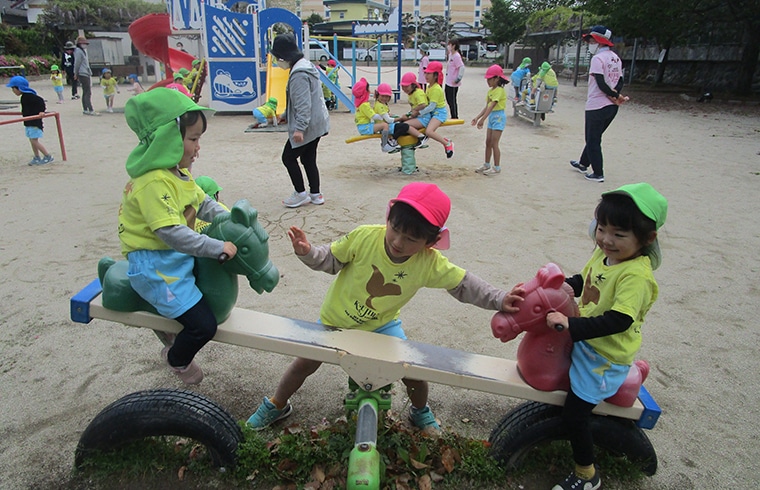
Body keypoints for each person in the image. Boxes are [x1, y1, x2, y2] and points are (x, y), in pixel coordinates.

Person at [246, 182, 525, 432]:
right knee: (304, 362)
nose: (397, 242)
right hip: (335, 321)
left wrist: (500, 299)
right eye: (395, 229)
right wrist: (308, 252)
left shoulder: (429, 262)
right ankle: (278, 403)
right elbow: (331, 259)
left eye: (411, 239)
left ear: (431, 242)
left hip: (382, 326)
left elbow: (464, 284)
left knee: (412, 370)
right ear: (388, 218)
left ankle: (419, 411)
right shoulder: (365, 237)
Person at [544, 182, 667, 490]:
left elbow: (619, 320)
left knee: (575, 414)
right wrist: (562, 284)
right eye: (601, 229)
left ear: (647, 238)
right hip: (586, 340)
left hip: (603, 356)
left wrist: (571, 326)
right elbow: (585, 281)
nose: (606, 240)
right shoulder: (605, 256)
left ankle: (587, 474)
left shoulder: (636, 276)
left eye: (619, 235)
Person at [118, 88, 236, 385]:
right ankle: (176, 358)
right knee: (203, 325)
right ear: (167, 139)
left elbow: (204, 203)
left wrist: (232, 219)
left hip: (174, 259)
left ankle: (174, 329)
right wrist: (216, 246)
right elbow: (172, 234)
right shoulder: (153, 183)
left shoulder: (178, 173)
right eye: (193, 139)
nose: (198, 148)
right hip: (156, 266)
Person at [270, 32, 330, 208]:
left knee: (288, 157)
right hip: (318, 122)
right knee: (308, 158)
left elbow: (303, 104)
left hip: (308, 125)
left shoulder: (298, 75)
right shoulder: (306, 66)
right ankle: (315, 194)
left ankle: (301, 193)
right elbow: (298, 101)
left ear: (282, 57)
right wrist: (286, 116)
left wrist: (299, 129)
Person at [569, 26, 627, 183]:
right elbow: (620, 80)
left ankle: (598, 173)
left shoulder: (598, 59)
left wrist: (614, 95)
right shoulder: (615, 58)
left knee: (593, 139)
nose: (590, 43)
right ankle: (583, 163)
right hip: (611, 107)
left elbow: (600, 82)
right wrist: (616, 96)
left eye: (591, 40)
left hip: (596, 105)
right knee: (594, 136)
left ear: (599, 41)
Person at [405, 61, 454, 158]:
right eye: (426, 73)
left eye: (429, 73)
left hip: (439, 113)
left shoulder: (436, 89)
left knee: (429, 131)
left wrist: (419, 112)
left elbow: (432, 106)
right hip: (432, 113)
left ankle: (447, 143)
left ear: (436, 75)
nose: (426, 75)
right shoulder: (429, 86)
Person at [6, 76, 54, 165]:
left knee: (34, 140)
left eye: (13, 89)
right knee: (31, 140)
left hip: (34, 122)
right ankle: (37, 157)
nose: (13, 91)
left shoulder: (29, 96)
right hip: (28, 122)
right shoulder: (24, 97)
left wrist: (41, 111)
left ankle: (48, 156)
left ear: (19, 88)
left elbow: (40, 101)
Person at [471, 65, 509, 175]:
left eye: (490, 79)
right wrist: (477, 117)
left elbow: (492, 105)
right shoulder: (490, 91)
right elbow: (487, 106)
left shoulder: (499, 91)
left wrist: (482, 119)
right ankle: (486, 164)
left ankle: (497, 166)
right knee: (488, 142)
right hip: (492, 116)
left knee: (494, 143)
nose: (488, 81)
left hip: (498, 117)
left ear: (497, 78)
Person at [373, 82, 426, 150]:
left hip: (385, 126)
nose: (384, 98)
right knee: (404, 126)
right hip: (385, 127)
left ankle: (418, 137)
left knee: (403, 126)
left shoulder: (380, 103)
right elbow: (388, 120)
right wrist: (400, 118)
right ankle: (419, 136)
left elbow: (385, 115)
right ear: (378, 95)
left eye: (387, 97)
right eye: (382, 96)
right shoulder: (380, 106)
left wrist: (393, 116)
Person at [73, 36, 97, 116]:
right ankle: (90, 109)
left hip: (84, 72)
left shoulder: (81, 51)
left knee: (85, 91)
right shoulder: (78, 51)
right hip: (82, 73)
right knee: (87, 91)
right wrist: (75, 73)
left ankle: (86, 109)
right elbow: (77, 63)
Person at [444, 39, 465, 119]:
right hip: (448, 81)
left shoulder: (456, 56)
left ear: (454, 46)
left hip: (453, 83)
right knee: (448, 98)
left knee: (452, 100)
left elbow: (461, 67)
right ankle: (453, 115)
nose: (448, 46)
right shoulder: (450, 55)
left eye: (450, 45)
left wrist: (458, 78)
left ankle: (454, 116)